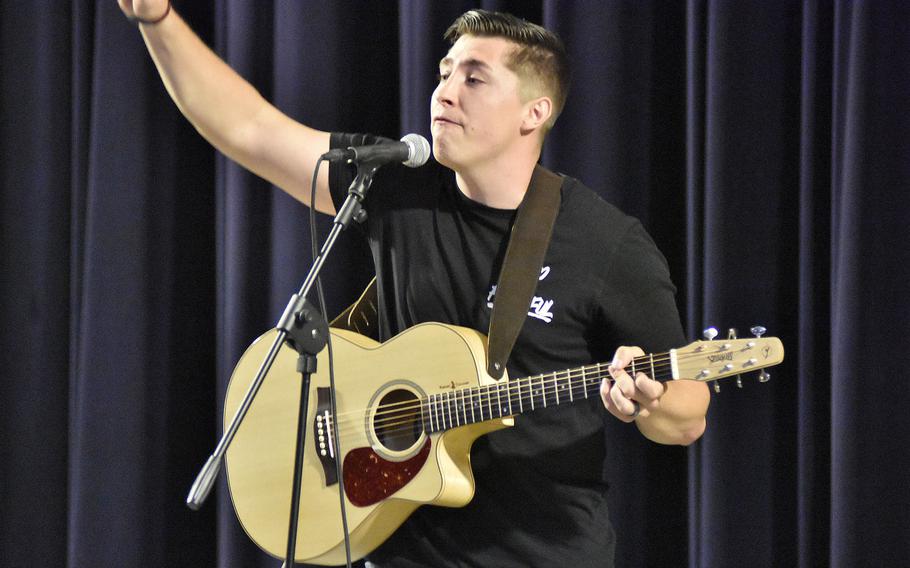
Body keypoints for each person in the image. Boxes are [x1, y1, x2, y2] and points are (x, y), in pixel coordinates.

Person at [119, 1, 710, 566]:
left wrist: (648, 402)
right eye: (445, 73)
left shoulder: (606, 243)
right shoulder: (398, 185)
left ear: (535, 112)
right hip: (399, 548)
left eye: (474, 79)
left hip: (543, 554)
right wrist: (156, 18)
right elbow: (250, 129)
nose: (444, 92)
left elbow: (690, 413)